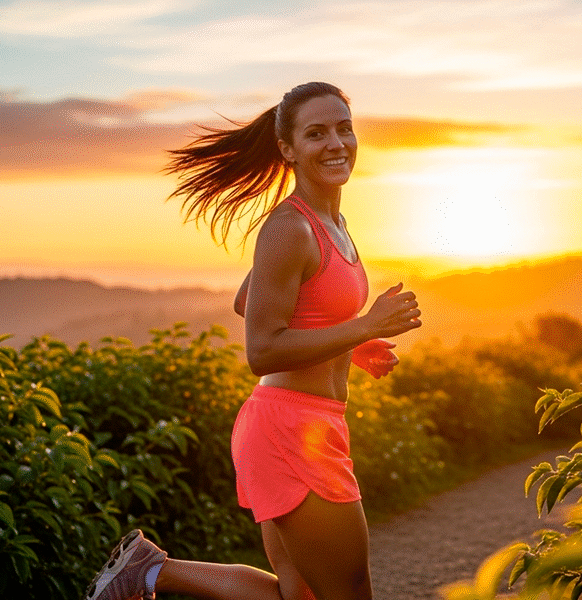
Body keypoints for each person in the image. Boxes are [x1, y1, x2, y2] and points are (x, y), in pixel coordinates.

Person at [83, 82, 422, 600]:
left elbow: (252, 300)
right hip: (290, 429)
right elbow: (260, 350)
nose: (336, 143)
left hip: (305, 424)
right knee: (348, 592)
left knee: (300, 595)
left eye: (344, 128)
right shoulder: (290, 228)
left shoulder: (333, 222)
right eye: (316, 133)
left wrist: (351, 345)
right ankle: (151, 571)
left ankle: (149, 571)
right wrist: (365, 326)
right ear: (288, 149)